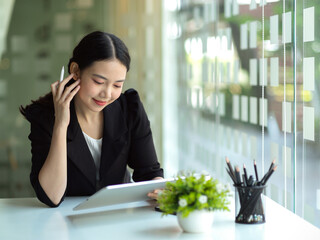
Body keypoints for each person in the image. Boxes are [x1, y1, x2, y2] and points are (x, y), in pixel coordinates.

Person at [20, 31, 163, 207]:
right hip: (66, 222)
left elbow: (149, 173)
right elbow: (52, 196)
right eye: (98, 82)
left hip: (116, 216)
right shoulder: (45, 116)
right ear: (75, 71)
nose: (107, 94)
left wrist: (162, 190)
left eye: (117, 85)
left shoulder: (129, 108)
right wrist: (61, 124)